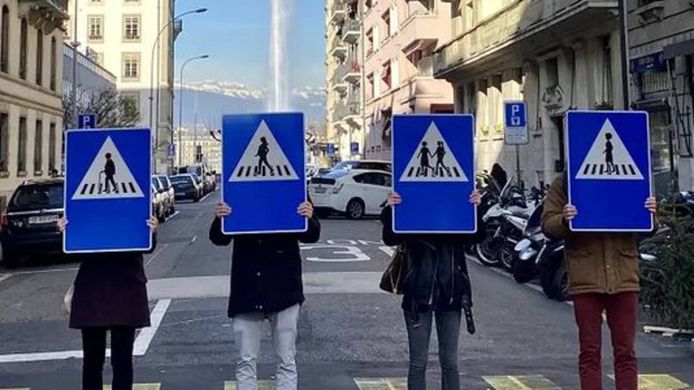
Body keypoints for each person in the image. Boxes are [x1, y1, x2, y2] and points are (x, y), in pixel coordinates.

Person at [541, 174, 657, 390]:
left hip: (623, 276)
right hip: (586, 277)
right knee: (590, 351)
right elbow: (548, 225)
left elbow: (648, 226)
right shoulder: (565, 181)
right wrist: (565, 219)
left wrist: (650, 213)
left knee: (626, 352)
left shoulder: (630, 172)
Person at [209, 200, 321, 390]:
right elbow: (219, 239)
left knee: (285, 360)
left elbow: (311, 235)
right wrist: (219, 218)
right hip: (248, 288)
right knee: (247, 361)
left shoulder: (292, 189)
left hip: (284, 288)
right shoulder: (236, 191)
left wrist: (310, 218)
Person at [380, 191, 485, 390]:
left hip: (451, 292)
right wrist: (390, 209)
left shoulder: (456, 213)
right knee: (419, 363)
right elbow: (390, 237)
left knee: (450, 362)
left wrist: (475, 208)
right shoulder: (413, 212)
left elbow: (478, 235)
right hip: (418, 293)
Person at [58, 216, 159, 390]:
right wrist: (66, 232)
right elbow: (73, 251)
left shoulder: (135, 203)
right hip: (97, 288)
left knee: (121, 359)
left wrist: (153, 231)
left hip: (123, 288)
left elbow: (147, 245)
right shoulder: (88, 209)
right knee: (94, 358)